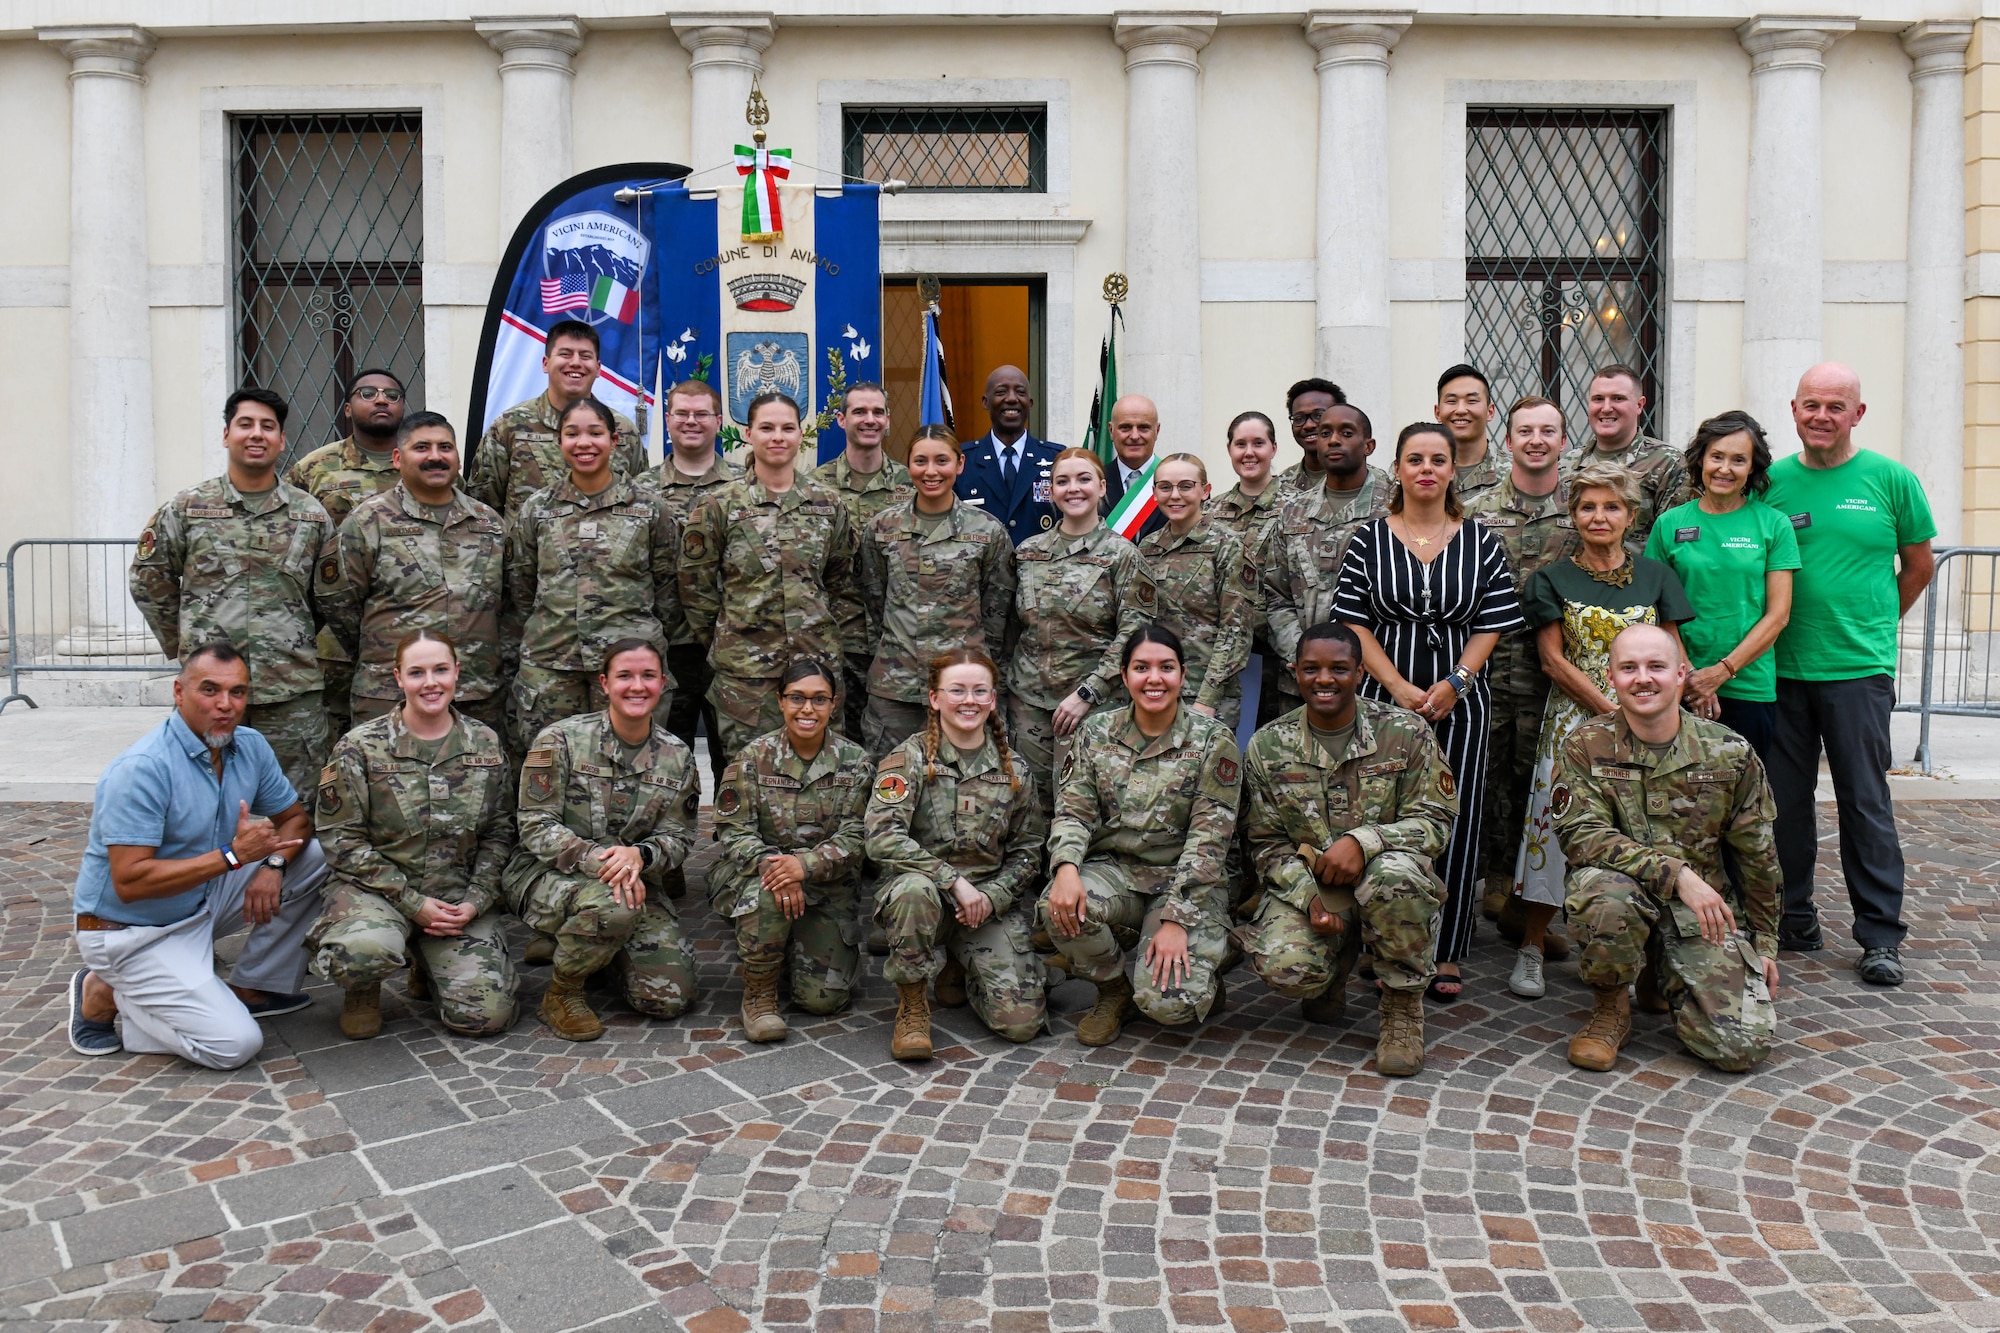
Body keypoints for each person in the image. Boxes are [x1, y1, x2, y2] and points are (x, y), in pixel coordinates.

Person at [66, 643, 328, 1068]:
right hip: (129, 931)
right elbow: (129, 883)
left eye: (238, 692)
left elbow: (296, 819)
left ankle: (253, 987)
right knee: (234, 1045)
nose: (225, 705)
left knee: (312, 855)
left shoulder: (250, 746)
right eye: (210, 690)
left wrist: (272, 867)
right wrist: (233, 857)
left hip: (198, 903)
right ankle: (106, 992)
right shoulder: (143, 768)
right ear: (178, 691)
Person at [1333, 422, 1525, 999]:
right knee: (1379, 814)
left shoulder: (1481, 540)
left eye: (1438, 459)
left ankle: (1444, 949)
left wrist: (1456, 682)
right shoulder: (1369, 539)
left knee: (1456, 819)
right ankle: (1381, 939)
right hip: (1382, 701)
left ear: (1452, 470)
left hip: (1459, 703)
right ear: (1398, 468)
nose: (1427, 469)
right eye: (1415, 458)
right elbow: (1353, 621)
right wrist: (1394, 686)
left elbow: (1493, 621)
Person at [1763, 362, 1936, 984]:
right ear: (1794, 408)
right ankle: (1794, 914)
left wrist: (1876, 619)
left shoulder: (1891, 480)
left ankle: (1880, 934)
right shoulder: (1771, 484)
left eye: (1836, 406)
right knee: (1785, 803)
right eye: (1812, 404)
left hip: (1858, 669)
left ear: (1857, 414)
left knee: (1865, 801)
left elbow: (1919, 564)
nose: (1822, 416)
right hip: (1781, 669)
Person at [1552, 624, 1781, 1073]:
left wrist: (1766, 942)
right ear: (1611, 677)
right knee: (1604, 893)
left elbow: (1758, 853)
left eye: (1656, 666)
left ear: (1680, 674)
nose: (1643, 678)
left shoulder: (1729, 752)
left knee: (1740, 1050)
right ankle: (1611, 1007)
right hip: (1622, 895)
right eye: (1628, 668)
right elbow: (1582, 836)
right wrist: (1676, 874)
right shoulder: (1586, 746)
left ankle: (1663, 973)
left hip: (1703, 912)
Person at [1507, 462, 1692, 998]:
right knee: (1552, 826)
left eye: (1611, 506)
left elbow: (1674, 651)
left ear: (1631, 515)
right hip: (1574, 721)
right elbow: (1552, 661)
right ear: (1573, 514)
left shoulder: (1656, 575)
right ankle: (1533, 947)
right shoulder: (1551, 578)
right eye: (1587, 506)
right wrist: (1611, 713)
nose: (1599, 516)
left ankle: (1636, 953)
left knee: (1641, 830)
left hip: (1650, 718)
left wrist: (1662, 709)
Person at [1237, 624, 1456, 1075]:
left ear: (1360, 673)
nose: (1324, 679)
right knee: (1287, 969)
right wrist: (1310, 900)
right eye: (1312, 668)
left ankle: (1400, 1008)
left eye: (1339, 668)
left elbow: (1437, 821)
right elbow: (1266, 844)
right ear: (1294, 672)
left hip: (1388, 880)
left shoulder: (1405, 732)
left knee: (1393, 876)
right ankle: (1333, 967)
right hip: (1316, 886)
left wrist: (1365, 840)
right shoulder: (1267, 746)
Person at [308, 631, 516, 1040]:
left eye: (440, 670)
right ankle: (363, 986)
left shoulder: (486, 744)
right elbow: (342, 841)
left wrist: (476, 901)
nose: (430, 682)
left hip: (456, 899)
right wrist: (411, 902)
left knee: (485, 1017)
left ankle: (430, 963)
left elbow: (500, 831)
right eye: (417, 672)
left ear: (457, 673)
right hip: (377, 894)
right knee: (362, 952)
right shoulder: (361, 748)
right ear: (398, 678)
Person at [131, 387, 336, 801]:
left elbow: (332, 596)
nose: (256, 434)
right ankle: (205, 868)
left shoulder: (310, 515)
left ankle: (281, 868)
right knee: (195, 796)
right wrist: (186, 645)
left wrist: (293, 639)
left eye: (268, 426)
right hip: (208, 690)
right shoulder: (188, 508)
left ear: (281, 440)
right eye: (245, 424)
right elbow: (149, 579)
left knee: (297, 806)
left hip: (289, 692)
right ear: (226, 434)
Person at [1041, 625, 1240, 1045]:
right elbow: (1073, 810)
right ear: (1125, 674)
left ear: (1183, 675)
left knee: (1170, 1005)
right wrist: (1066, 867)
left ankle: (1212, 951)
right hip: (1116, 872)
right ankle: (1114, 991)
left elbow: (1209, 839)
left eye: (1166, 668)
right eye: (1141, 668)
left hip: (1183, 882)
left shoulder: (1212, 741)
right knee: (1057, 905)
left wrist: (1176, 919)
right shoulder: (1096, 732)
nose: (1154, 678)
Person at [504, 640, 701, 1040]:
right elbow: (535, 823)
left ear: (663, 683)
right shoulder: (560, 739)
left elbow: (679, 835)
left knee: (667, 998)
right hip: (549, 874)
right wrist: (601, 861)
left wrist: (641, 855)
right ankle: (563, 993)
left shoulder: (676, 755)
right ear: (604, 683)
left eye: (648, 676)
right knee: (614, 905)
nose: (637, 686)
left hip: (634, 882)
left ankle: (598, 951)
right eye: (624, 676)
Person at [870, 649, 1048, 1058]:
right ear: (935, 699)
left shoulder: (1015, 770)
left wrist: (992, 896)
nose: (969, 700)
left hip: (983, 906)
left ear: (992, 699)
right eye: (957, 690)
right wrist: (953, 881)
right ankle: (913, 1005)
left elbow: (1028, 851)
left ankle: (963, 966)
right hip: (924, 896)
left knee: (1022, 1025)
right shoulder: (908, 761)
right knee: (913, 890)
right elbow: (882, 838)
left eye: (979, 691)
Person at [681, 391, 865, 771]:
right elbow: (694, 587)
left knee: (824, 775)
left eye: (787, 428)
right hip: (745, 677)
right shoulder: (720, 507)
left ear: (801, 435)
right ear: (748, 433)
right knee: (747, 775)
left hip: (816, 666)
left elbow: (842, 582)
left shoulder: (828, 505)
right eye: (766, 427)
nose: (777, 436)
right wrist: (727, 638)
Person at [505, 396, 683, 756]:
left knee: (633, 764)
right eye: (572, 434)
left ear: (614, 441)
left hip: (629, 665)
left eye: (595, 433)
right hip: (551, 664)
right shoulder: (537, 508)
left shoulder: (649, 507)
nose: (583, 443)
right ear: (560, 442)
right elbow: (522, 584)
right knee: (549, 762)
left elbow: (669, 587)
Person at [710, 658, 873, 1043]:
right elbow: (732, 829)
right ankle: (759, 994)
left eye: (819, 699)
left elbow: (858, 834)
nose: (807, 709)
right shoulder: (752, 758)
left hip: (826, 884)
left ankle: (792, 948)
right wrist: (778, 868)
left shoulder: (856, 763)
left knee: (822, 1000)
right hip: (760, 877)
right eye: (796, 698)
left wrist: (805, 865)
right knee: (769, 896)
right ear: (780, 701)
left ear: (834, 705)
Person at [1464, 397, 1578, 932]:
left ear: (1563, 440)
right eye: (1525, 430)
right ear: (1506, 440)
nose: (1536, 440)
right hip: (1485, 669)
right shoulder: (1474, 510)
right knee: (1482, 780)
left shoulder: (1582, 511)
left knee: (1538, 779)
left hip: (1551, 676)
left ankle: (1529, 894)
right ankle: (1484, 881)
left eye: (1548, 431)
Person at [317, 412, 507, 732]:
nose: (435, 456)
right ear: (397, 458)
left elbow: (511, 602)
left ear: (458, 458)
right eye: (422, 447)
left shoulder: (488, 523)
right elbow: (337, 602)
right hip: (389, 694)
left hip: (475, 693)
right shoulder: (368, 521)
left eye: (445, 447)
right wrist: (384, 648)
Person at [1007, 447, 1159, 820]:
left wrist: (1088, 693)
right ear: (1052, 491)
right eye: (1063, 481)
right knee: (1029, 809)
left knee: (1088, 809)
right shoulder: (1028, 552)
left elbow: (1135, 634)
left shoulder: (1122, 556)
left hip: (1093, 708)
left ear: (1102, 486)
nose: (1073, 489)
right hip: (1028, 706)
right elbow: (1011, 629)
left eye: (1083, 479)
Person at [1643, 410, 1799, 756]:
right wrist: (1692, 675)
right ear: (1701, 460)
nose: (1725, 469)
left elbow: (1779, 615)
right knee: (1677, 797)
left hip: (1749, 686)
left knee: (1741, 800)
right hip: (1679, 684)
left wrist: (1722, 672)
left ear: (1752, 468)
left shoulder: (1774, 525)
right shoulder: (1670, 524)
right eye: (1717, 456)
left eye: (1738, 460)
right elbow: (1658, 607)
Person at [858, 425, 1016, 757]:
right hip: (896, 692)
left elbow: (997, 614)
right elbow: (874, 601)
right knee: (892, 787)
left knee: (965, 788)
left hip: (964, 693)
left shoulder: (987, 531)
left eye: (941, 461)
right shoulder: (882, 529)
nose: (931, 471)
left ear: (960, 464)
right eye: (920, 461)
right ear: (909, 466)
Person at [284, 368, 408, 741]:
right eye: (367, 393)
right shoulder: (314, 469)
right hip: (332, 646)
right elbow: (290, 548)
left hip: (404, 635)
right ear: (348, 408)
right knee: (334, 746)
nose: (381, 400)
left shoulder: (425, 463)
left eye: (392, 394)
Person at [641, 378, 739, 799]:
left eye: (701, 414)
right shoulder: (640, 490)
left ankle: (732, 847)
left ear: (719, 421)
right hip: (665, 642)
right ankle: (670, 850)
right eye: (681, 413)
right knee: (667, 752)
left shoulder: (742, 487)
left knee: (731, 754)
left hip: (728, 642)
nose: (691, 421)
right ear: (667, 421)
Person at [1263, 403, 1391, 718]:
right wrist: (1305, 656)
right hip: (1301, 684)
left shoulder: (1394, 509)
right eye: (1325, 433)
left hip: (1376, 683)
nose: (1333, 441)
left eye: (1346, 433)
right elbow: (1274, 595)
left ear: (1368, 445)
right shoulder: (1293, 512)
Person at [467, 319, 647, 523]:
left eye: (585, 356)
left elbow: (641, 502)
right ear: (546, 364)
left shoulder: (623, 430)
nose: (576, 362)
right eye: (565, 354)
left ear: (598, 369)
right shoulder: (510, 426)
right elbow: (482, 506)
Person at [815, 382, 913, 739]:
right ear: (841, 419)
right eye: (859, 411)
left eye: (877, 412)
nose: (868, 420)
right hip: (837, 642)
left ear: (888, 420)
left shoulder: (913, 485)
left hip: (897, 646)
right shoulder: (814, 487)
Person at [1137, 453, 1253, 727]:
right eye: (1165, 487)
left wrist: (1207, 699)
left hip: (1207, 696)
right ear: (1154, 493)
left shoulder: (1227, 546)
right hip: (1156, 690)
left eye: (1186, 486)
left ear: (1205, 491)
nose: (1174, 495)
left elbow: (1236, 631)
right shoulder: (1147, 549)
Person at [1207, 411, 1289, 728]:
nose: (1249, 452)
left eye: (1258, 443)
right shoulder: (1211, 511)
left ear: (1274, 448)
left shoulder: (1298, 507)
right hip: (1225, 657)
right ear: (1229, 449)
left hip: (1277, 655)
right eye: (1240, 444)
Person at [1560, 364, 1688, 553]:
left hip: (1636, 579)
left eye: (1618, 398)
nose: (1606, 408)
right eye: (1598, 399)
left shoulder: (1669, 463)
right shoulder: (1567, 464)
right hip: (1573, 578)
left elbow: (1673, 543)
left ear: (1639, 405)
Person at [956, 364, 1062, 546]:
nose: (1012, 399)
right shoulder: (962, 461)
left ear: (1030, 403)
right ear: (985, 402)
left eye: (1020, 392)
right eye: (1001, 392)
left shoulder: (1057, 459)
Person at [1434, 364, 1508, 507]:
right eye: (1452, 401)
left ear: (1490, 411)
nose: (1461, 410)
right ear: (1437, 413)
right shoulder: (1415, 472)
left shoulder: (1515, 475)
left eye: (1472, 401)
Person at [1102, 395, 1168, 540]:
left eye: (1143, 428)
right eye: (1125, 428)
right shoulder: (1093, 484)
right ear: (1111, 430)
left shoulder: (1182, 484)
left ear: (1157, 430)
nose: (1134, 435)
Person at [1273, 378, 1346, 494]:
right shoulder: (1279, 485)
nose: (1308, 425)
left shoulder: (1372, 481)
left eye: (1318, 415)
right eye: (1299, 418)